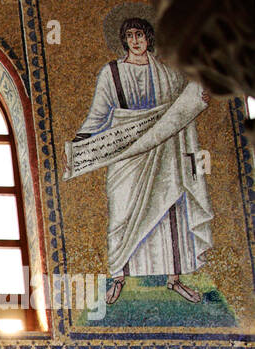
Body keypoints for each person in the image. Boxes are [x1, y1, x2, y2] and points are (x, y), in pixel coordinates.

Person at [72, 17, 212, 305]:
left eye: (140, 35)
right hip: (126, 151)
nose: (135, 40)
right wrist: (80, 141)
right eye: (130, 35)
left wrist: (200, 98)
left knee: (169, 209)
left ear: (149, 38)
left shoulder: (166, 73)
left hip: (163, 151)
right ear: (124, 40)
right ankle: (118, 276)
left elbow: (180, 109)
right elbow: (99, 113)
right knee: (121, 212)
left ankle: (174, 279)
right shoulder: (111, 73)